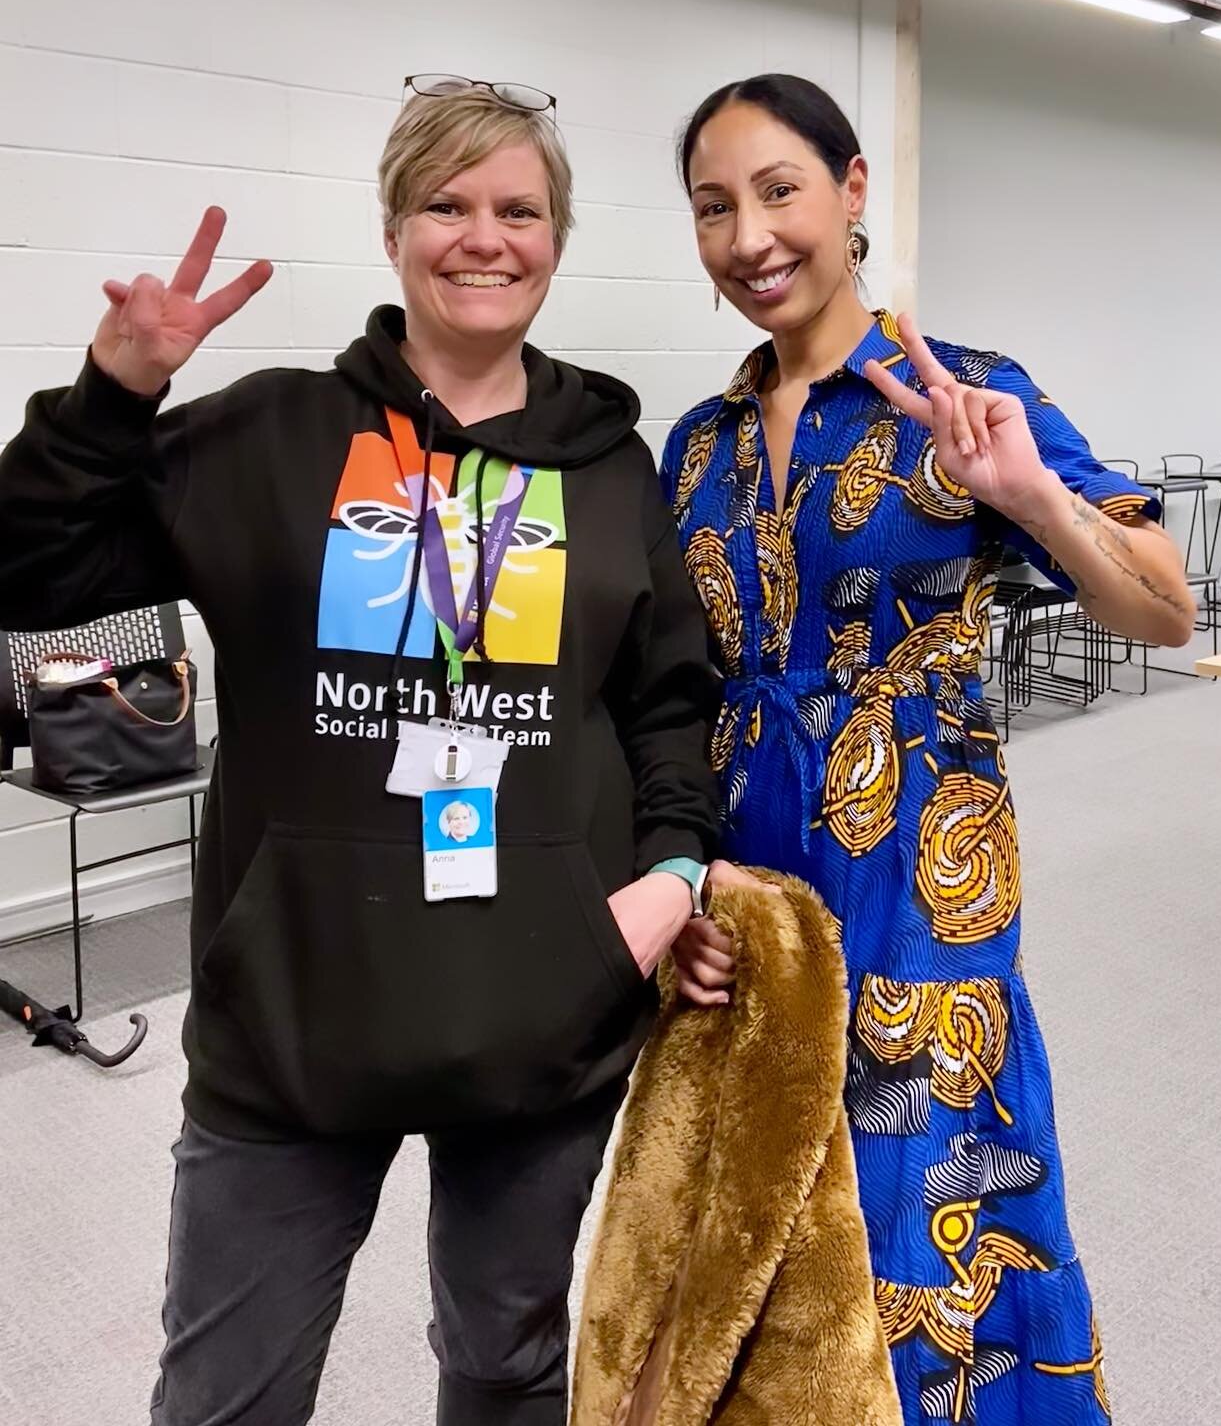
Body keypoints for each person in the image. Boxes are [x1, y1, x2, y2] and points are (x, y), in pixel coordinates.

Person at [0, 76, 722, 1426]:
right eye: (446, 204)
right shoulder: (266, 436)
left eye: (519, 208)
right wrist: (112, 397)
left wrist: (672, 872)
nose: (484, 237)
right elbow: (28, 580)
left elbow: (668, 704)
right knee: (227, 1396)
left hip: (541, 1011)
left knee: (507, 1373)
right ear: (394, 229)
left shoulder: (613, 472)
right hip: (294, 1015)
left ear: (557, 238)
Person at [660, 74, 1194, 1425]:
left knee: (923, 1233)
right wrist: (674, 887)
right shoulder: (696, 447)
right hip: (750, 897)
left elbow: (1162, 604)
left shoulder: (964, 394)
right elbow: (666, 689)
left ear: (849, 193)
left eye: (779, 190)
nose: (749, 236)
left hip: (917, 886)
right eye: (714, 208)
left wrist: (1027, 496)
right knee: (764, 1225)